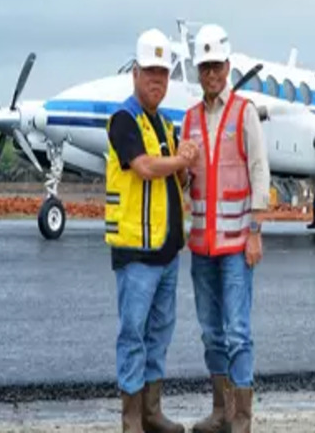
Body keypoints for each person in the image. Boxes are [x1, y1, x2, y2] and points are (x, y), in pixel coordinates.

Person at [105, 28, 199, 433]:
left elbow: (175, 182)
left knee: (159, 334)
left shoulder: (163, 124)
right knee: (133, 335)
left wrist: (187, 168)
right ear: (135, 75)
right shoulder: (123, 120)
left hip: (165, 253)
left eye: (163, 74)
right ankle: (132, 421)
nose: (157, 82)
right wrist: (180, 161)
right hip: (136, 254)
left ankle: (152, 412)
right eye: (150, 74)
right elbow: (143, 167)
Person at [181, 24, 270, 432]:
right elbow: (187, 179)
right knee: (211, 334)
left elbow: (258, 171)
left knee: (238, 332)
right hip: (201, 246)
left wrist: (255, 230)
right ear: (199, 73)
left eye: (217, 66)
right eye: (204, 68)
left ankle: (242, 419)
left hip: (236, 244)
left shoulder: (244, 112)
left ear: (228, 67)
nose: (211, 74)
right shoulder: (190, 119)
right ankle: (220, 412)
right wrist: (180, 169)